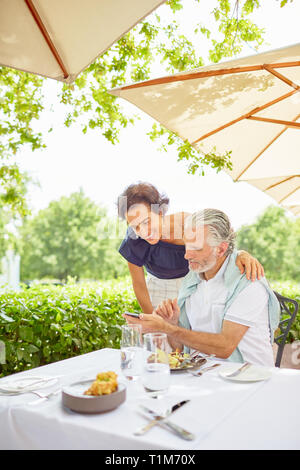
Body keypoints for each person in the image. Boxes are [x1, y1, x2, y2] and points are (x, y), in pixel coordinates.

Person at [124, 208, 280, 366]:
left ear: (221, 249)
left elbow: (225, 347)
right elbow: (180, 347)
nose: (186, 255)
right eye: (186, 246)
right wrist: (172, 323)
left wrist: (166, 329)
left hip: (250, 378)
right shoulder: (192, 280)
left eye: (196, 248)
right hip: (206, 376)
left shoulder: (248, 281)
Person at [117, 182, 264, 314]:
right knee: (162, 339)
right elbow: (138, 284)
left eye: (147, 221)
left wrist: (241, 254)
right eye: (135, 226)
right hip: (157, 288)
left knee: (192, 336)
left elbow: (221, 241)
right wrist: (151, 319)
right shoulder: (133, 239)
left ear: (160, 212)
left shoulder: (187, 223)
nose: (143, 231)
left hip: (193, 283)